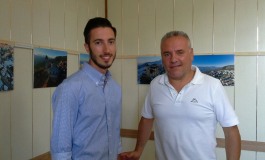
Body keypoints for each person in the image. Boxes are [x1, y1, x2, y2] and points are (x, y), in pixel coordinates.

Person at [121, 31, 241, 160]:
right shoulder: (155, 84)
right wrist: (138, 150)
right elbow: (146, 119)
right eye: (167, 54)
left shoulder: (213, 86)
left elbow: (231, 132)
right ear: (162, 57)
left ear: (191, 53)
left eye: (180, 52)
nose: (173, 59)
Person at [50, 17, 122, 160]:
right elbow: (61, 151)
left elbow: (114, 134)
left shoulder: (115, 88)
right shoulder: (69, 89)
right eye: (98, 43)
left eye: (111, 42)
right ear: (87, 47)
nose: (107, 50)